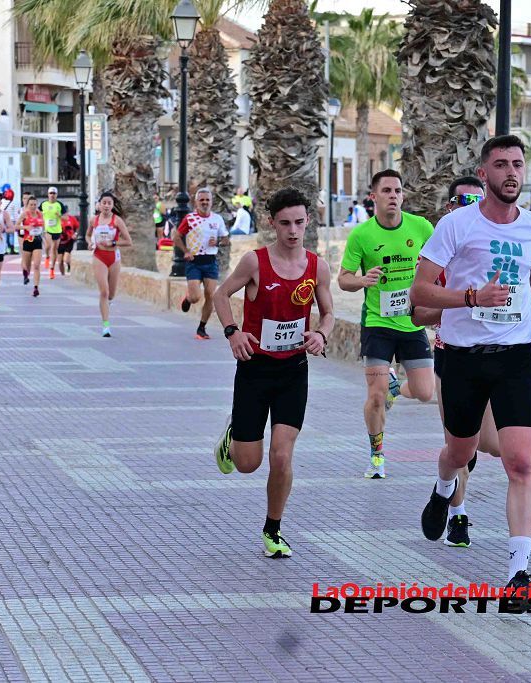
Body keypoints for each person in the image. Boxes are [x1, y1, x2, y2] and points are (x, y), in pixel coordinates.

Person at [410, 134, 531, 603]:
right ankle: (444, 489)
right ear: (484, 175)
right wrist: (471, 298)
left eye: (517, 164)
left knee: (521, 462)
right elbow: (421, 293)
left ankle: (519, 573)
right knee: (459, 453)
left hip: (516, 358)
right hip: (461, 358)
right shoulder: (457, 226)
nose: (510, 173)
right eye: (500, 165)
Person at [211, 188, 335, 559]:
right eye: (285, 224)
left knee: (282, 456)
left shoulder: (317, 267)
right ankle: (235, 432)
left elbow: (328, 313)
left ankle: (273, 528)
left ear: (307, 221)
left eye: (299, 222)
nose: (293, 231)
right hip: (254, 370)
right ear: (272, 224)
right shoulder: (255, 262)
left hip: (294, 371)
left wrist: (321, 334)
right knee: (248, 464)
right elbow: (221, 295)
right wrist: (233, 333)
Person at [411, 176, 500, 548]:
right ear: (449, 207)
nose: (470, 207)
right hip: (453, 357)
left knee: (492, 445)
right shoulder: (439, 255)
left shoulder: (498, 252)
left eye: (477, 201)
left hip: (498, 357)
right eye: (462, 201)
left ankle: (448, 477)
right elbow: (417, 313)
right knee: (459, 443)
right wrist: (464, 303)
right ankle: (457, 516)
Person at [339, 169, 436, 479]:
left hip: (412, 323)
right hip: (378, 324)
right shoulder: (362, 235)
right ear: (374, 196)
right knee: (376, 395)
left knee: (424, 391)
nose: (393, 196)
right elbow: (343, 279)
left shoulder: (420, 227)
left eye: (397, 190)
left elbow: (442, 263)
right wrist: (361, 280)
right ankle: (377, 455)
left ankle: (397, 387)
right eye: (386, 191)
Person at [175, 187, 231, 340]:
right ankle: (188, 298)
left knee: (211, 296)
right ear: (196, 202)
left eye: (207, 200)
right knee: (195, 297)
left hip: (210, 261)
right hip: (194, 261)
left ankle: (201, 328)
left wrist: (218, 241)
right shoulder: (190, 219)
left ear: (211, 202)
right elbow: (177, 236)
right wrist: (185, 251)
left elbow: (226, 239)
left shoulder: (217, 219)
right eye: (202, 200)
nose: (205, 203)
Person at [87, 191, 133, 337]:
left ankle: (108, 302)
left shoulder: (117, 221)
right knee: (104, 292)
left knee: (111, 294)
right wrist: (90, 243)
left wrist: (112, 242)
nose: (106, 206)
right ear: (99, 205)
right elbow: (88, 235)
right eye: (104, 203)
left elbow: (128, 241)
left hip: (113, 257)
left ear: (113, 206)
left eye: (109, 203)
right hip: (99, 256)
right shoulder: (93, 220)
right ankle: (106, 326)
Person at [17, 195, 45, 297]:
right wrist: (26, 227)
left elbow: (44, 227)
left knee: (37, 265)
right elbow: (16, 226)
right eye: (31, 205)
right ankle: (25, 273)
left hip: (37, 241)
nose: (33, 206)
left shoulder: (40, 214)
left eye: (34, 204)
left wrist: (44, 235)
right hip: (27, 241)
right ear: (27, 205)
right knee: (27, 265)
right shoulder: (25, 214)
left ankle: (36, 288)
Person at [41, 187, 65, 279]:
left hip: (57, 230)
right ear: (48, 194)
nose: (52, 195)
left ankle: (52, 269)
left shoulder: (59, 205)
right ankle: (47, 256)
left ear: (56, 195)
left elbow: (66, 217)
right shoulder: (44, 204)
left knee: (54, 249)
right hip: (47, 229)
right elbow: (38, 212)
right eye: (50, 193)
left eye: (54, 193)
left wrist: (60, 216)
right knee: (48, 246)